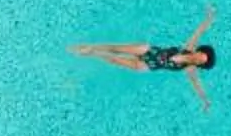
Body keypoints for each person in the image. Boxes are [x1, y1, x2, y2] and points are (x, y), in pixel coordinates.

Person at [71, 6, 217, 109]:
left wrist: (205, 101)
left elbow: (197, 85)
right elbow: (198, 32)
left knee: (114, 60)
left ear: (199, 64)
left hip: (148, 66)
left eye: (201, 61)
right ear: (199, 51)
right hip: (149, 50)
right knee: (116, 48)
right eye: (200, 55)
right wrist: (209, 18)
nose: (198, 58)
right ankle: (92, 46)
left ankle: (92, 53)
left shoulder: (190, 69)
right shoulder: (189, 47)